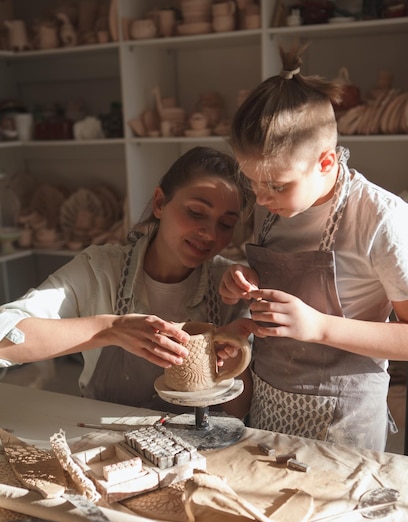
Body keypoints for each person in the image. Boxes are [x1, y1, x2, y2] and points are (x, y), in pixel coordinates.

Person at [219, 42, 408, 450]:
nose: (260, 198)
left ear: (326, 162)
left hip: (345, 421)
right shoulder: (274, 208)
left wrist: (320, 327)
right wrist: (245, 275)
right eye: (252, 182)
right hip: (270, 401)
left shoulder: (381, 219)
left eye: (275, 185)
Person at [0, 146, 253, 416]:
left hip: (196, 448)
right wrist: (110, 329)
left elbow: (237, 414)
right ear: (159, 203)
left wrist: (234, 364)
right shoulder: (99, 270)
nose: (209, 234)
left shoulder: (230, 285)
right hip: (106, 439)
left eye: (225, 224)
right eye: (196, 212)